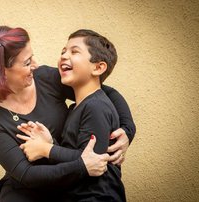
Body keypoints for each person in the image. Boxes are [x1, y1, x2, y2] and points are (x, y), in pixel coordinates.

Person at [0, 26, 136, 202]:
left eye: (32, 57)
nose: (35, 65)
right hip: (29, 188)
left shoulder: (45, 78)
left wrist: (127, 130)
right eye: (27, 63)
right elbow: (26, 174)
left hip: (75, 182)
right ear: (2, 72)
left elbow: (105, 93)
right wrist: (80, 165)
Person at [17, 29, 128, 201]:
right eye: (63, 51)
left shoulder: (96, 106)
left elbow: (95, 161)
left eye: (74, 51)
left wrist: (46, 149)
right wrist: (51, 142)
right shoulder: (76, 108)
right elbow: (78, 158)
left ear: (98, 67)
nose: (64, 56)